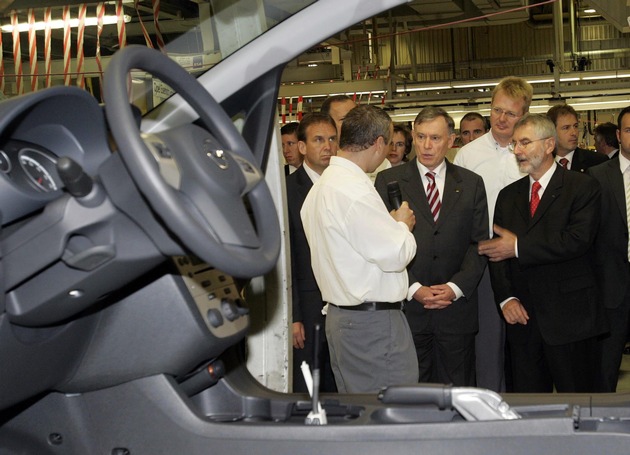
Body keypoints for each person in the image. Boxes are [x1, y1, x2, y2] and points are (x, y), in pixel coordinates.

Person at [479, 113, 604, 393]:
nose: (518, 151)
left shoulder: (581, 187)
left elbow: (577, 241)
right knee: (530, 408)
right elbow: (497, 253)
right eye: (515, 144)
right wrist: (506, 298)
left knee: (578, 403)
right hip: (523, 320)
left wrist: (518, 247)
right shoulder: (508, 195)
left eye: (525, 142)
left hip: (570, 320)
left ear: (549, 145)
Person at [301, 105, 418, 393]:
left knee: (360, 412)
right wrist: (402, 226)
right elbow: (396, 255)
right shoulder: (354, 191)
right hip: (373, 326)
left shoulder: (321, 187)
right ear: (379, 143)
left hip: (344, 320)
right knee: (390, 413)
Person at [375, 107, 489, 386]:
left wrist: (455, 288)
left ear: (451, 141)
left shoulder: (472, 183)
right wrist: (414, 289)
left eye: (436, 138)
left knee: (459, 390)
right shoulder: (388, 181)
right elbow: (382, 244)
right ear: (413, 136)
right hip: (409, 309)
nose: (427, 146)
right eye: (422, 136)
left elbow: (479, 244)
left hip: (456, 310)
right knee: (414, 390)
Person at [454, 76, 533, 392]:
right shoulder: (468, 156)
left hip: (526, 259)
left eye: (510, 114)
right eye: (497, 110)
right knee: (488, 348)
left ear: (525, 114)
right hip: (483, 262)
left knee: (528, 346)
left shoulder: (533, 154)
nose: (501, 118)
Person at [286, 113, 338, 393]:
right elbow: (287, 260)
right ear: (302, 147)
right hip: (307, 308)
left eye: (332, 139)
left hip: (343, 303)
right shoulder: (286, 191)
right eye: (319, 139)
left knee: (339, 382)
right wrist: (293, 316)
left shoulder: (344, 185)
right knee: (309, 385)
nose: (327, 146)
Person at [588, 107, 630, 392]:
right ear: (618, 135)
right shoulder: (598, 176)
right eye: (629, 130)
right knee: (605, 369)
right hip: (613, 287)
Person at [321, 94, 390, 181]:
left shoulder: (380, 161)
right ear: (327, 124)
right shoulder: (322, 160)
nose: (353, 123)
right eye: (344, 119)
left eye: (356, 117)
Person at [546, 104, 607, 172]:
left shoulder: (598, 162)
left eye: (575, 126)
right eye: (566, 128)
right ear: (552, 131)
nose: (574, 133)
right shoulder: (542, 165)